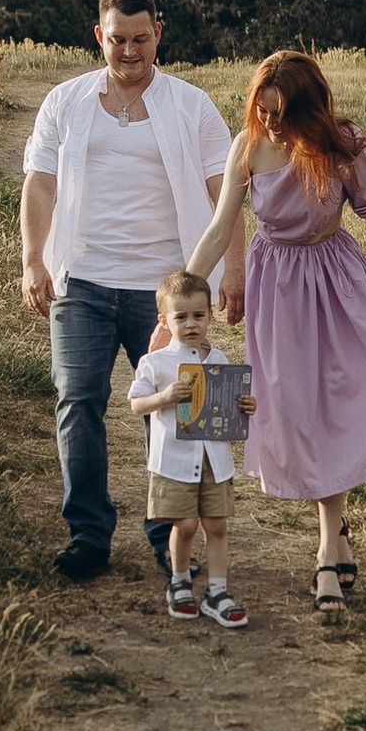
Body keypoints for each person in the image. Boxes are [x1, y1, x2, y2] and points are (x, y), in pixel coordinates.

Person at [19, 0, 233, 584]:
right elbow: (40, 184)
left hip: (167, 294)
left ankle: (173, 538)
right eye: (118, 40)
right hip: (82, 282)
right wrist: (34, 258)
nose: (130, 51)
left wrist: (231, 270)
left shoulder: (191, 105)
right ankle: (88, 534)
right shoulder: (65, 101)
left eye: (141, 39)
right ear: (100, 36)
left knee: (173, 412)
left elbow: (226, 195)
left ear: (158, 34)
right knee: (77, 400)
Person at [187, 49, 366, 616]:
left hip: (336, 284)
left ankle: (324, 554)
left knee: (333, 409)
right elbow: (219, 231)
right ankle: (336, 534)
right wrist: (180, 299)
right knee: (291, 411)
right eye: (261, 110)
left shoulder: (341, 144)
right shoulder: (248, 147)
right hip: (277, 290)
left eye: (280, 113)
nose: (269, 123)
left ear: (307, 109)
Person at [125, 265, 254, 628]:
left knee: (217, 525)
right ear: (164, 320)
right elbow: (136, 403)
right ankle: (179, 583)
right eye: (181, 316)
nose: (191, 323)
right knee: (184, 525)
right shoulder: (155, 363)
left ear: (210, 315)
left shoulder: (219, 362)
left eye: (199, 315)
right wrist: (164, 397)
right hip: (175, 460)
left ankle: (217, 591)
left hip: (214, 459)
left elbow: (229, 408)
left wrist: (245, 406)